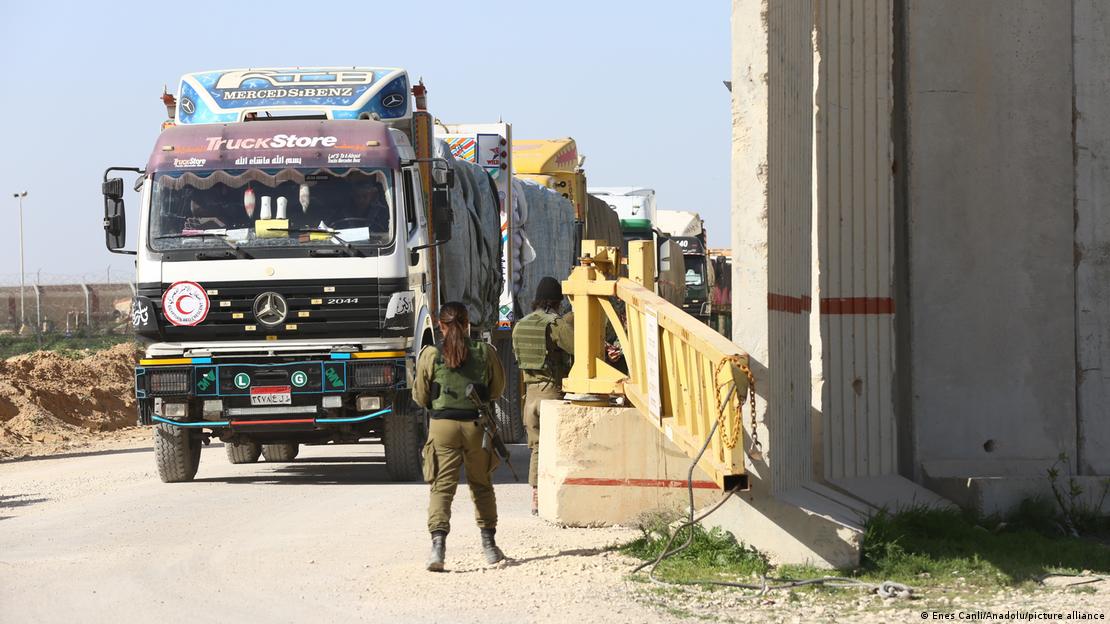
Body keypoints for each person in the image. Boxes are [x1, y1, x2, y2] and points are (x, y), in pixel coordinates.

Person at [413, 301, 507, 571]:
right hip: (476, 427)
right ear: (467, 324)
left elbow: (420, 396)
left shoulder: (430, 354)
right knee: (481, 485)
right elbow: (497, 390)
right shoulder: (485, 352)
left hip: (442, 427)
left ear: (440, 326)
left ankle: (438, 549)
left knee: (442, 487)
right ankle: (489, 547)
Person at [511, 276, 574, 515]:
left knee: (536, 446)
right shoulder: (554, 324)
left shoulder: (521, 325)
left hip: (529, 395)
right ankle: (550, 496)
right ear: (556, 302)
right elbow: (578, 347)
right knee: (555, 448)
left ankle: (536, 496)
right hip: (551, 392)